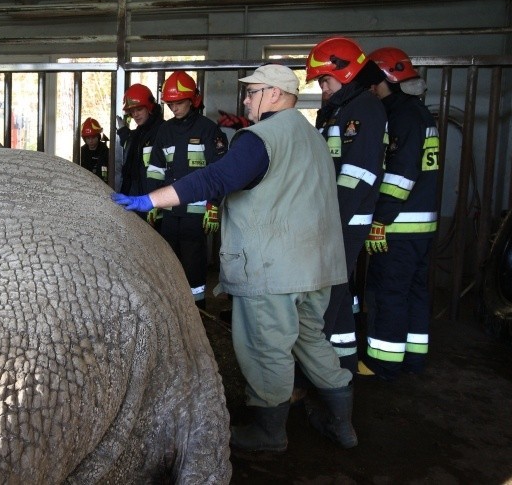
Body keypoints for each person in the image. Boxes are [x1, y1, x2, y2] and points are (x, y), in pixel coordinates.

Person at [113, 64, 357, 452]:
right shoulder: (311, 136)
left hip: (273, 268)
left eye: (252, 91)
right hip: (318, 265)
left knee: (267, 347)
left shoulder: (260, 138)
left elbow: (215, 178)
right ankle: (341, 423)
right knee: (311, 339)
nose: (245, 99)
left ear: (274, 94)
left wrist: (150, 199)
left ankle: (269, 432)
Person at [306, 37, 389, 373]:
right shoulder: (338, 110)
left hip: (345, 219)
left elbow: (357, 175)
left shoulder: (365, 110)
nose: (323, 89)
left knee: (325, 300)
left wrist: (329, 220)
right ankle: (343, 368)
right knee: (338, 298)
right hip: (334, 217)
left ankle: (315, 377)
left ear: (346, 71)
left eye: (324, 80)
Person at [361, 47, 439, 380]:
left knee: (388, 293)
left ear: (381, 82)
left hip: (398, 226)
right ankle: (413, 359)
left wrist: (380, 219)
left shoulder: (400, 117)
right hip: (421, 226)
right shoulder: (420, 114)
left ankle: (383, 363)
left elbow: (399, 174)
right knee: (415, 291)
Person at [145, 71, 227, 309]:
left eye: (179, 103)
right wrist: (152, 201)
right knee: (169, 260)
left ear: (193, 100)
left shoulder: (208, 130)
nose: (174, 108)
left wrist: (213, 205)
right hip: (169, 211)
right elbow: (155, 170)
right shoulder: (165, 131)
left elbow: (219, 172)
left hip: (196, 212)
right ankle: (174, 308)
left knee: (194, 262)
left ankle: (198, 310)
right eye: (170, 104)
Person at [117, 83, 165, 221]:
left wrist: (157, 203)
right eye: (132, 112)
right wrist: (123, 131)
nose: (135, 115)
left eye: (139, 109)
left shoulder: (163, 131)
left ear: (149, 108)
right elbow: (132, 147)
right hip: (137, 201)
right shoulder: (139, 133)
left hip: (154, 205)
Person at [79, 117, 109, 183]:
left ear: (98, 137)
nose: (91, 141)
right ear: (84, 139)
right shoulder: (81, 152)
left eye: (93, 137)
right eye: (88, 138)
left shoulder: (105, 151)